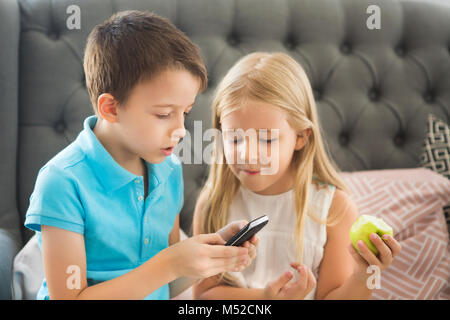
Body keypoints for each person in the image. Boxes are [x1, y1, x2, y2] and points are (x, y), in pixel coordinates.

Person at [24, 10, 256, 300]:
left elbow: (167, 285)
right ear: (110, 108)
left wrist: (207, 257)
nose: (181, 130)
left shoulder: (168, 170)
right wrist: (170, 263)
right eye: (163, 114)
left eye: (184, 113)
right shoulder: (62, 183)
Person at [192, 52, 402, 300]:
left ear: (301, 137)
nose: (247, 154)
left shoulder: (333, 208)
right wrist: (266, 298)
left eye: (266, 139)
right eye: (234, 138)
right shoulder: (213, 202)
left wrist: (364, 275)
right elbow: (204, 296)